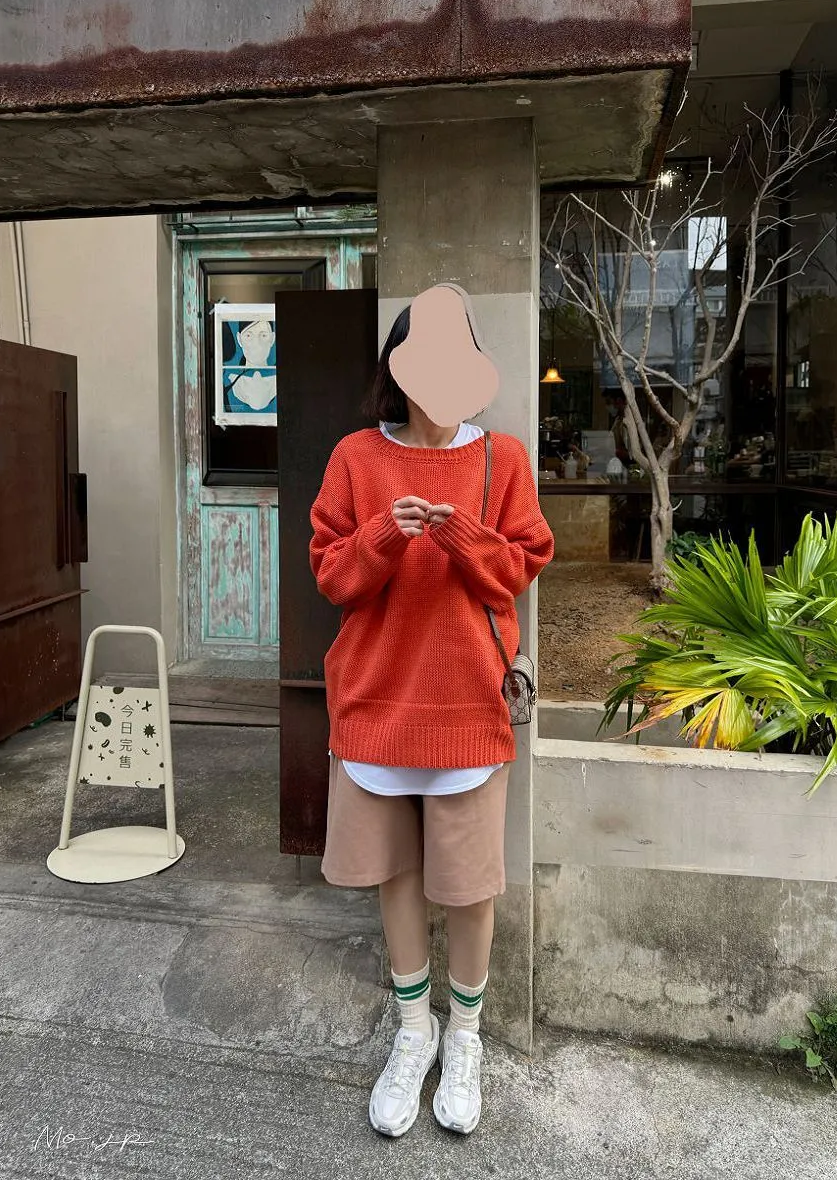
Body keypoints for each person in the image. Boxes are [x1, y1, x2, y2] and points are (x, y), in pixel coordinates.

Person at [308, 298, 554, 1138]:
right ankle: (414, 1032)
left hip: (469, 705)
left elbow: (519, 566)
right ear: (398, 369)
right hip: (376, 701)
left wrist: (463, 540)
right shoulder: (356, 456)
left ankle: (466, 1036)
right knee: (398, 875)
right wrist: (385, 533)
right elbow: (332, 575)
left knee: (470, 887)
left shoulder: (501, 458)